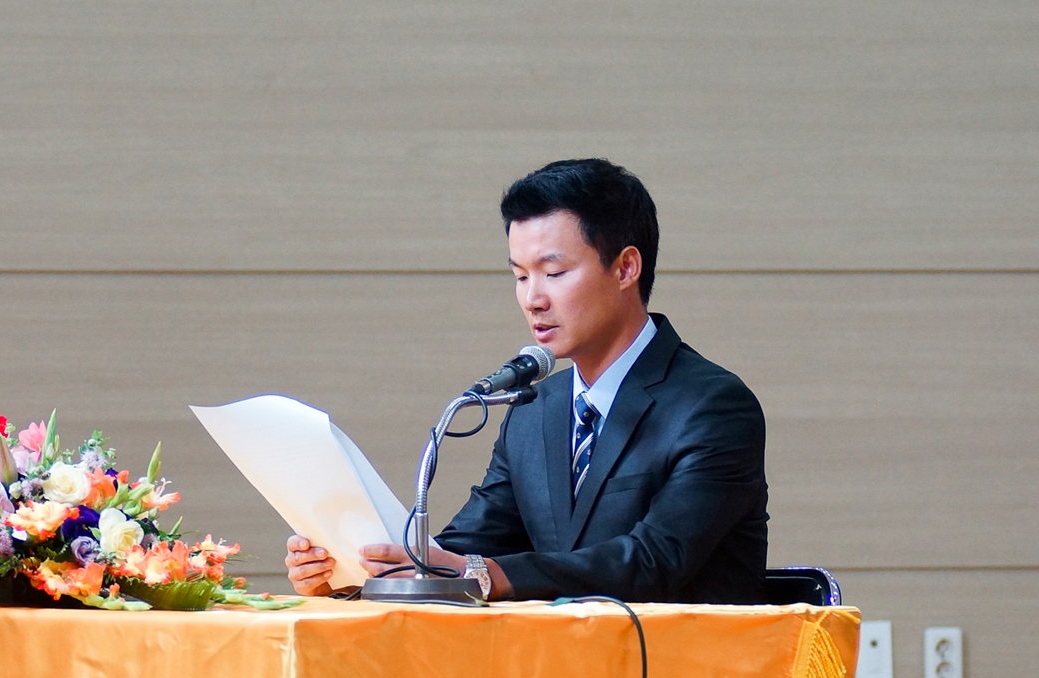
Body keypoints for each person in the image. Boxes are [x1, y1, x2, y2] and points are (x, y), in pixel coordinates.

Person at [286, 158, 768, 604]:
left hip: (681, 663)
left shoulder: (712, 406)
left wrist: (484, 574)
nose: (533, 299)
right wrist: (357, 571)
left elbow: (654, 561)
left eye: (553, 272)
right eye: (520, 276)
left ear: (625, 268)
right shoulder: (535, 408)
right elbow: (462, 550)